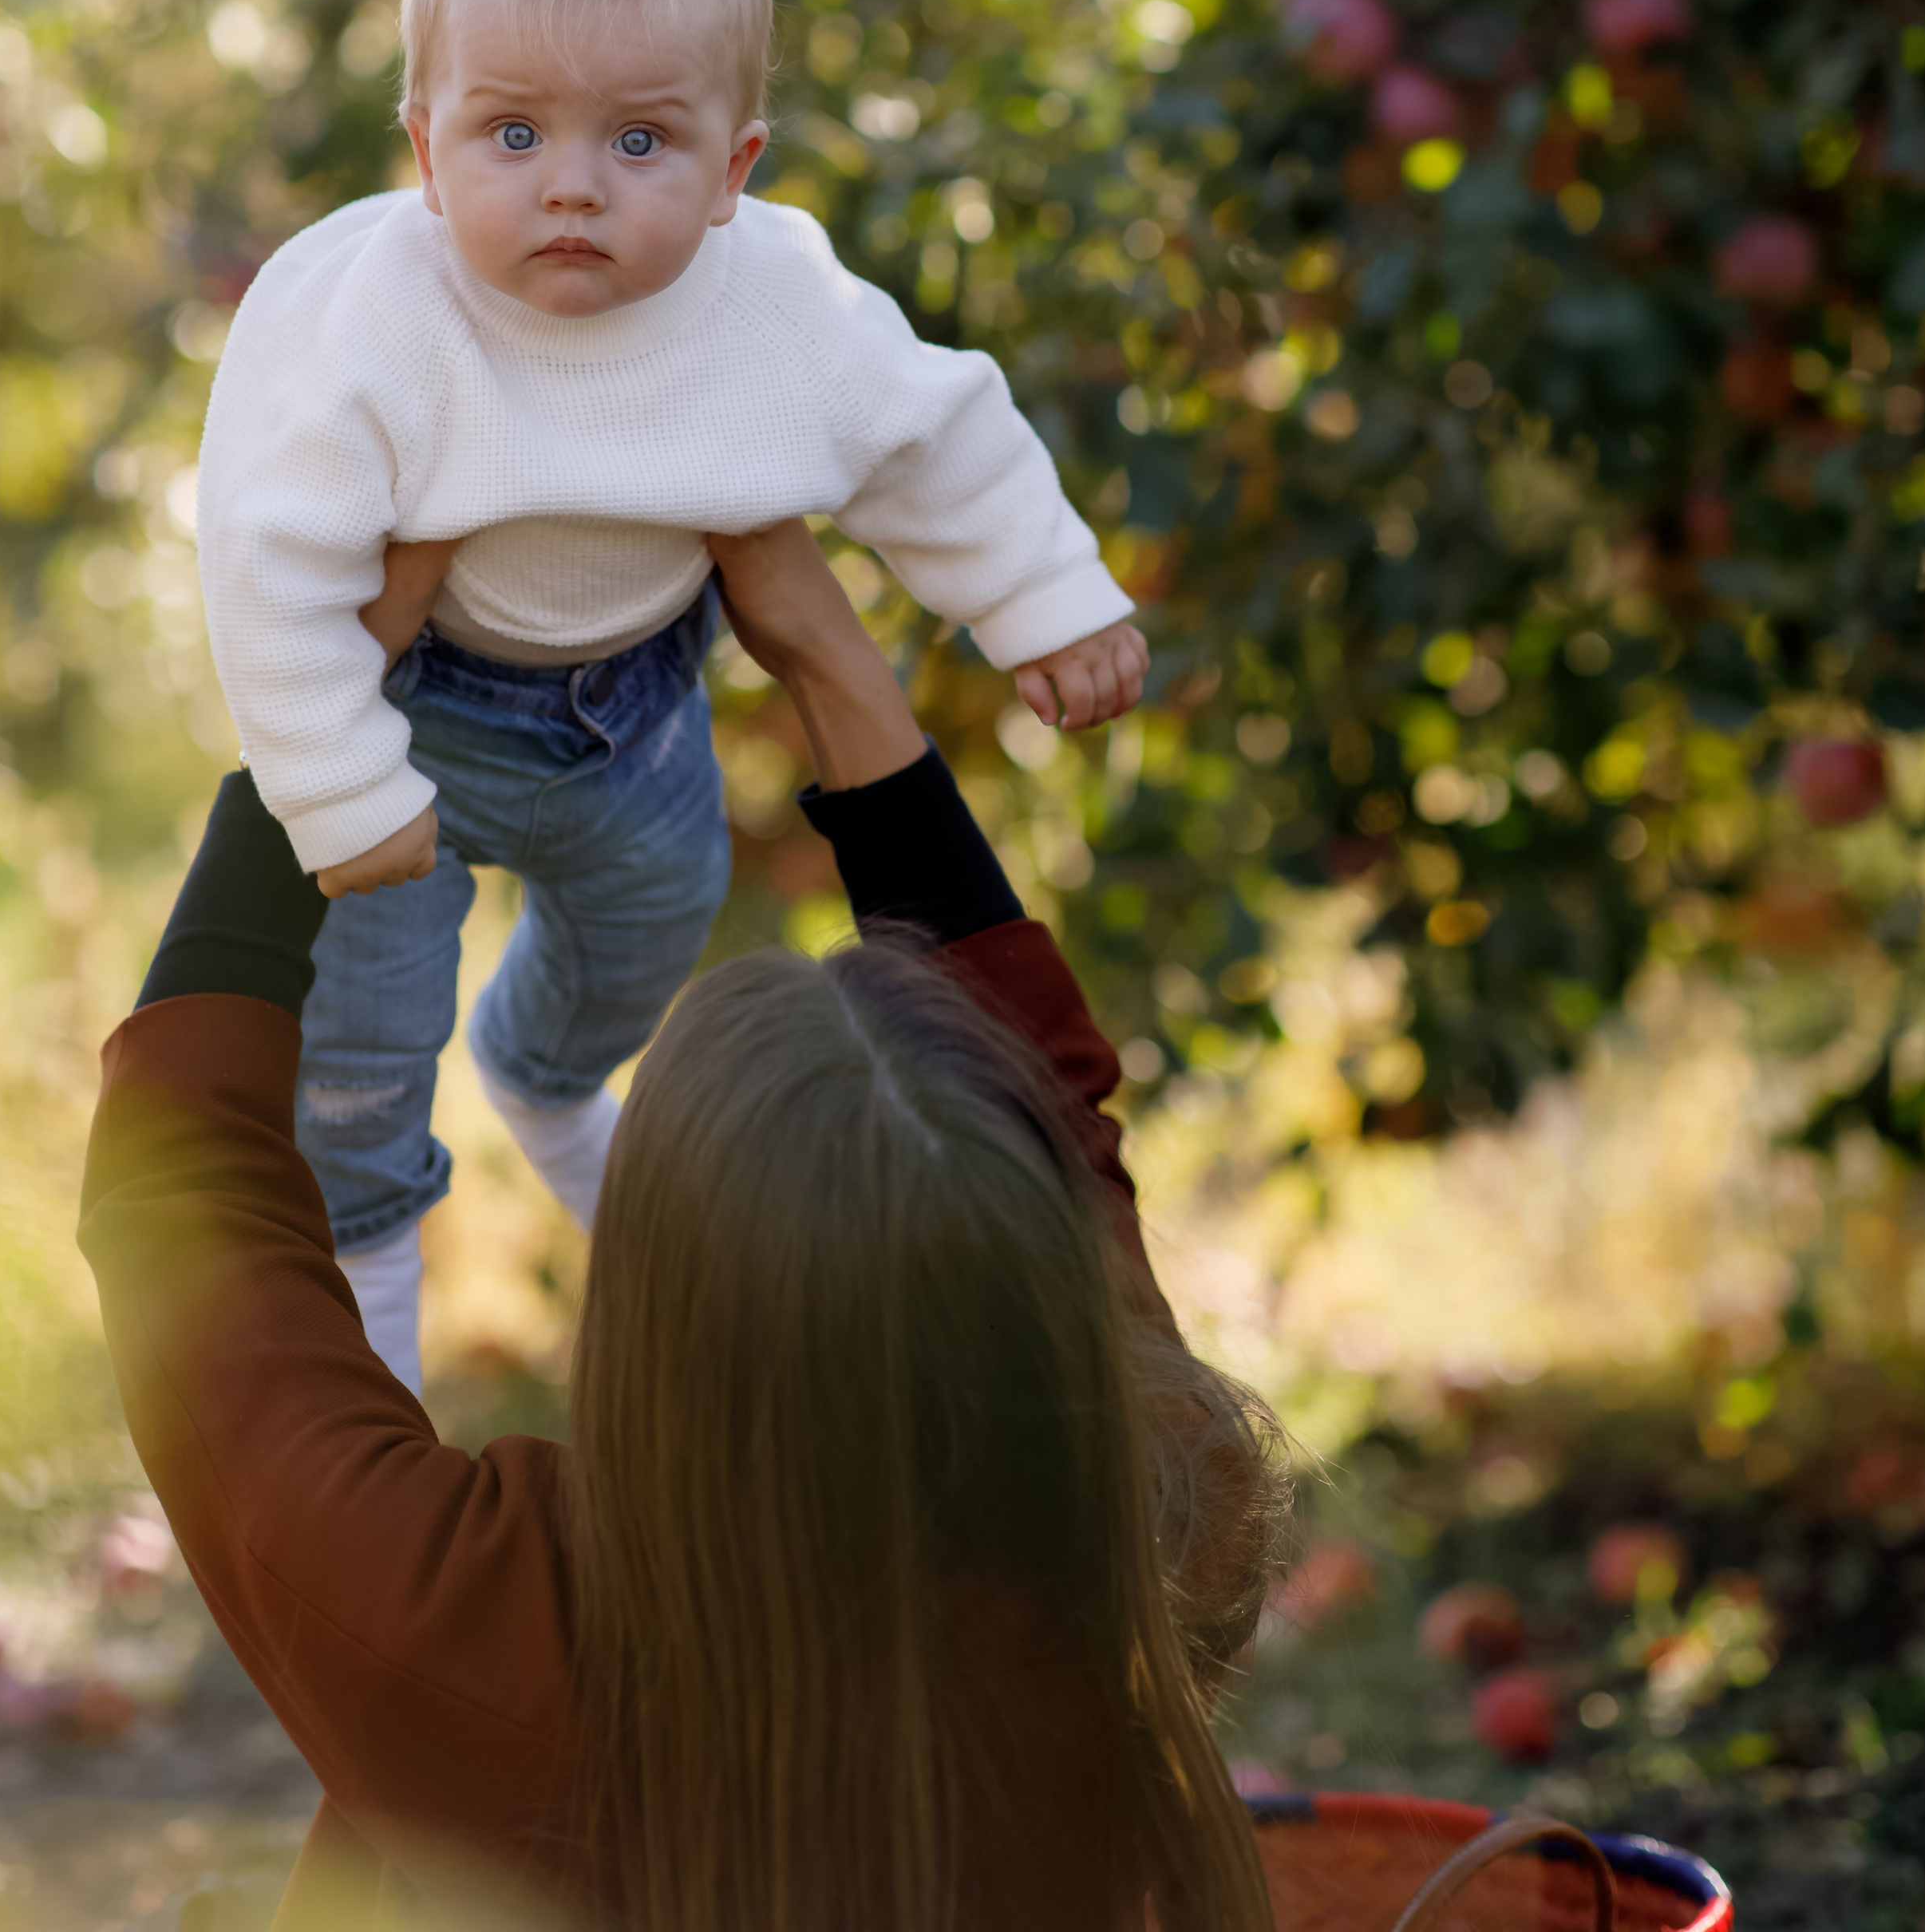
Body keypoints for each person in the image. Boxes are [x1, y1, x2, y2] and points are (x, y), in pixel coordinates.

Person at [81, 520, 1285, 1932]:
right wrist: (821, 647)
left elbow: (186, 1207)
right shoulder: (1150, 1526)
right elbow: (1059, 1129)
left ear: (657, 1297)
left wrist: (321, 715)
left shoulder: (479, 1636)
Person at [192, 0, 1148, 1385]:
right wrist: (337, 780)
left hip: (635, 715)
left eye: (641, 138)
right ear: (427, 155)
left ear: (734, 170)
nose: (572, 182)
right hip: (412, 715)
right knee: (359, 1068)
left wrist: (1042, 599)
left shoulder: (773, 304)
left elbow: (934, 432)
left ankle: (550, 1081)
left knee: (642, 944)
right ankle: (376, 1350)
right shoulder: (376, 314)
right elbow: (266, 553)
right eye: (513, 132)